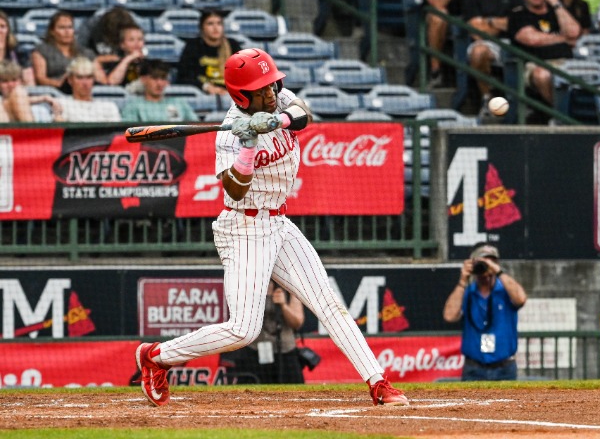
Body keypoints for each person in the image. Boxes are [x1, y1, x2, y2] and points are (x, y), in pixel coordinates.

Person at [134, 48, 409, 408]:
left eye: (271, 85)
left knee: (328, 302)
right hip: (244, 227)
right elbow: (234, 189)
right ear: (241, 96)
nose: (270, 92)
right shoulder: (228, 136)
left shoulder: (278, 99)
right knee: (243, 330)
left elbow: (303, 114)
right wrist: (248, 146)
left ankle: (378, 383)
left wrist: (277, 121)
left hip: (279, 221)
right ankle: (156, 356)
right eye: (261, 89)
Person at [443, 243, 527, 381]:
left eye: (491, 262)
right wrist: (463, 280)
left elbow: (521, 299)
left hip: (504, 367)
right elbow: (449, 316)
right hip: (474, 368)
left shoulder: (506, 290)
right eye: (482, 263)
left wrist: (498, 271)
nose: (486, 268)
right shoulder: (467, 292)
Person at [507, 0, 580, 109]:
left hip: (565, 61)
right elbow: (532, 39)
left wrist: (555, 3)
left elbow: (574, 32)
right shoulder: (518, 14)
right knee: (542, 75)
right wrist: (563, 38)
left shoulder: (557, 11)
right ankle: (562, 113)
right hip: (534, 64)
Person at [462, 0, 522, 120]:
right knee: (478, 51)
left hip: (515, 41)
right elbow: (477, 32)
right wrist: (503, 23)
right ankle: (488, 98)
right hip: (489, 44)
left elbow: (519, 22)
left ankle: (527, 106)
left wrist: (489, 21)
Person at [222, 280, 306, 384]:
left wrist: (283, 305)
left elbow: (297, 323)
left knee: (292, 388)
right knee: (253, 388)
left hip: (285, 350)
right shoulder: (249, 285)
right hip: (254, 349)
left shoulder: (290, 288)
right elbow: (239, 321)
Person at [422, 0, 478, 88]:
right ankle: (435, 71)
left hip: (467, 16)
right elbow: (438, 3)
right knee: (438, 16)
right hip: (442, 18)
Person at [32, 11, 107, 94]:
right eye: (62, 28)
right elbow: (40, 78)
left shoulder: (86, 53)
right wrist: (61, 84)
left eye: (70, 27)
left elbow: (102, 80)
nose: (67, 31)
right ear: (52, 31)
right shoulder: (41, 50)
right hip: (55, 93)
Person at [176, 10, 241, 95]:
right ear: (202, 27)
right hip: (202, 94)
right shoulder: (193, 46)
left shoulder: (233, 45)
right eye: (210, 24)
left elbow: (243, 75)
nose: (215, 28)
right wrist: (206, 87)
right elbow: (183, 76)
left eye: (219, 23)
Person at [121, 59, 198, 122]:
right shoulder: (133, 106)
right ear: (143, 79)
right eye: (154, 78)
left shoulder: (179, 103)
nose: (159, 83)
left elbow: (196, 127)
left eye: (163, 78)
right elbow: (129, 133)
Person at [56, 57, 122, 123]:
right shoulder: (61, 104)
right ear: (70, 80)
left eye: (89, 77)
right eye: (79, 77)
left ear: (94, 79)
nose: (85, 83)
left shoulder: (109, 107)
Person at [0, 10, 34, 85]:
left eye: (2, 26)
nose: (0, 30)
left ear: (8, 30)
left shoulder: (20, 52)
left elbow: (30, 83)